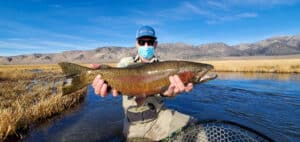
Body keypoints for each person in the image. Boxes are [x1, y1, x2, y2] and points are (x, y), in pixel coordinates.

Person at [91, 25, 196, 141]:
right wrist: (104, 80)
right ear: (136, 44)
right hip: (133, 126)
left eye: (150, 42)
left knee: (195, 127)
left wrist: (166, 93)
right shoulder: (125, 63)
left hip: (160, 118)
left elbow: (168, 90)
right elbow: (115, 79)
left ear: (155, 44)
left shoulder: (164, 66)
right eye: (142, 42)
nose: (146, 46)